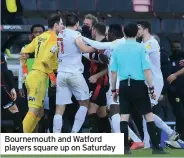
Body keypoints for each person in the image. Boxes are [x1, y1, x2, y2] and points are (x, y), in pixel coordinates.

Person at [82, 25, 144, 148]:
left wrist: (80, 37)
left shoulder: (117, 43)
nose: (106, 35)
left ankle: (131, 140)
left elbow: (98, 45)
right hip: (125, 83)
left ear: (112, 33)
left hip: (119, 84)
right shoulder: (131, 46)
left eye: (108, 32)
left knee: (115, 113)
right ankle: (133, 140)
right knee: (116, 114)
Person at [110, 23, 167, 154]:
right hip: (139, 85)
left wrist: (114, 90)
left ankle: (124, 148)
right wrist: (152, 89)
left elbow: (113, 72)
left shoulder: (118, 49)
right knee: (148, 115)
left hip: (124, 85)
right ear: (136, 33)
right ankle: (156, 148)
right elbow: (147, 70)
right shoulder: (141, 48)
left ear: (124, 33)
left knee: (124, 116)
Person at [137, 20, 178, 148]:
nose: (137, 31)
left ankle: (149, 140)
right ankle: (166, 134)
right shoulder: (143, 43)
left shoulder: (152, 43)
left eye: (139, 28)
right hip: (146, 80)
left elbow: (141, 57)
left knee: (146, 111)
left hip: (154, 81)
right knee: (145, 111)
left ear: (146, 29)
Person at [20, 13, 63, 133]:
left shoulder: (40, 37)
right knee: (33, 111)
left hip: (34, 76)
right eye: (61, 24)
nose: (63, 26)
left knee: (39, 113)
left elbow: (23, 53)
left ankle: (25, 140)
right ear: (55, 25)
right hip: (39, 77)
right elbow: (45, 60)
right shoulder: (53, 38)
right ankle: (16, 140)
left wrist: (25, 72)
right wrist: (53, 79)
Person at [53, 13, 95, 133]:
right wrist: (95, 48)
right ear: (77, 24)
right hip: (74, 73)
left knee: (60, 108)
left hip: (61, 74)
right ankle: (74, 134)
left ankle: (56, 136)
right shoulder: (76, 34)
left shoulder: (60, 34)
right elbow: (83, 49)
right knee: (84, 103)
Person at [87, 22, 110, 133]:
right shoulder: (94, 45)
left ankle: (94, 140)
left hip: (102, 82)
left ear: (94, 31)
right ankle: (107, 137)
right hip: (96, 82)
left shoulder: (106, 45)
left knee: (91, 109)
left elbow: (111, 66)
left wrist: (96, 76)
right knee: (102, 112)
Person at [1, 52, 23, 133]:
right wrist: (12, 87)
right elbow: (5, 72)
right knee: (14, 109)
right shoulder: (1, 55)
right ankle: (19, 134)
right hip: (2, 89)